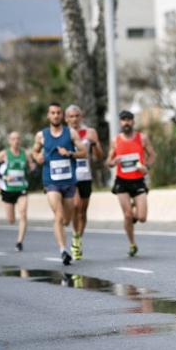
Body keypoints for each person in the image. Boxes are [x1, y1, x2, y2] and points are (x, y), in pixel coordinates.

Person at [32, 102, 87, 265]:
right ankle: (63, 250)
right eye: (53, 113)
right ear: (48, 116)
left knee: (67, 220)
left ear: (62, 116)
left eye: (58, 113)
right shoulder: (41, 135)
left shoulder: (71, 133)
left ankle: (65, 241)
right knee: (59, 215)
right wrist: (37, 157)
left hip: (69, 182)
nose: (56, 115)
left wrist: (70, 153)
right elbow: (34, 151)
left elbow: (84, 152)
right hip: (51, 182)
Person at [107, 110, 155, 257]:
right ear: (120, 122)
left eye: (129, 120)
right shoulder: (116, 141)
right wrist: (112, 162)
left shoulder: (142, 138)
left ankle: (134, 207)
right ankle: (132, 244)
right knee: (128, 215)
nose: (126, 122)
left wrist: (145, 166)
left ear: (133, 121)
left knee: (142, 218)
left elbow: (152, 155)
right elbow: (108, 161)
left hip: (138, 180)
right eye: (123, 120)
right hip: (122, 181)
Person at [64, 105, 104, 260]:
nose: (74, 119)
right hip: (70, 176)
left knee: (82, 212)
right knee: (75, 205)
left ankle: (77, 239)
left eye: (77, 116)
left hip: (85, 176)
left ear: (81, 117)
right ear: (66, 118)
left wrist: (94, 144)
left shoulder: (90, 132)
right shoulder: (63, 133)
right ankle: (75, 235)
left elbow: (99, 156)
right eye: (71, 116)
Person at [0, 131, 35, 251]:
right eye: (13, 139)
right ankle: (12, 221)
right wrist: (4, 177)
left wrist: (32, 167)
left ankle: (19, 242)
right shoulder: (3, 154)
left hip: (22, 188)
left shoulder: (25, 154)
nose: (16, 141)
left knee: (23, 213)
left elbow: (32, 168)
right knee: (11, 220)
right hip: (8, 189)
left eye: (18, 138)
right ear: (9, 141)